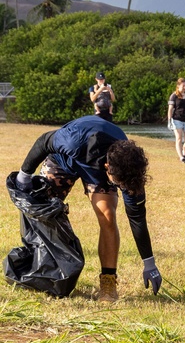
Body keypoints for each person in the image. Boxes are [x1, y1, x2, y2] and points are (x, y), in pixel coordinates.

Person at [17, 117, 161, 304]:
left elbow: (137, 219)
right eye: (119, 184)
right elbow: (44, 141)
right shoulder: (72, 141)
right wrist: (24, 174)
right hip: (65, 160)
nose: (123, 188)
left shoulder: (129, 171)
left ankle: (108, 283)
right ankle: (40, 268)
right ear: (108, 168)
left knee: (108, 216)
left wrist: (149, 263)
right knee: (41, 212)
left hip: (99, 173)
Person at [167, 78, 185, 163]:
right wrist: (169, 121)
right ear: (178, 85)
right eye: (183, 86)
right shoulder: (174, 96)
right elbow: (170, 109)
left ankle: (184, 152)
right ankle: (181, 157)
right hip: (177, 119)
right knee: (179, 138)